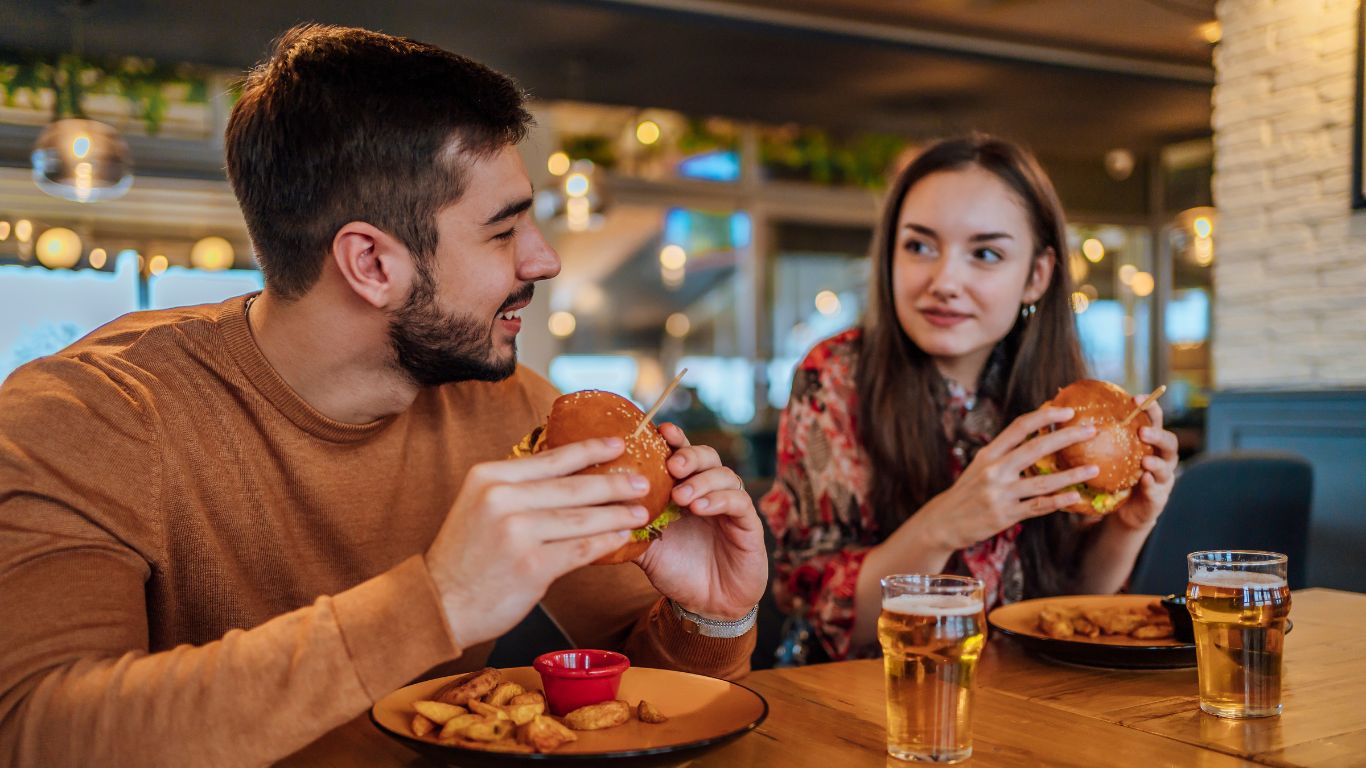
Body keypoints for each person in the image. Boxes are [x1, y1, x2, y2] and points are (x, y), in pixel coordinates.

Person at [0, 25, 767, 766]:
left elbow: (623, 705)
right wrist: (435, 601)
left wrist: (709, 613)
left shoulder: (517, 410)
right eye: (503, 233)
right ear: (370, 262)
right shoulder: (89, 416)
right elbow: (36, 734)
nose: (545, 260)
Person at [760, 135, 1179, 662]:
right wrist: (949, 521)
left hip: (1028, 701)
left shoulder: (1059, 392)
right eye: (919, 246)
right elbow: (829, 620)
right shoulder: (835, 377)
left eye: (984, 254)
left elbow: (1065, 611)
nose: (945, 280)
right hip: (868, 701)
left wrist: (1126, 526)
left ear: (1036, 276)